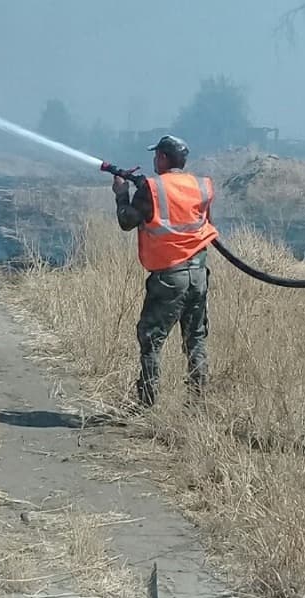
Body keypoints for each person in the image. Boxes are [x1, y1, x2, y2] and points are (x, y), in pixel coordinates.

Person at [111, 135, 218, 408]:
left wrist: (122, 194)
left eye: (156, 155)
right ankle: (198, 403)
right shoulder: (200, 186)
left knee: (151, 338)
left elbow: (127, 220)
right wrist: (140, 188)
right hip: (198, 274)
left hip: (170, 277)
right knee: (195, 338)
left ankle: (146, 402)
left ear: (162, 158)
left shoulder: (152, 188)